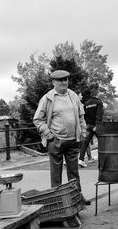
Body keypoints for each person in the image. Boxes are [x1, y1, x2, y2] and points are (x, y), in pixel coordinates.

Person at [33, 70, 90, 205]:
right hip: (56, 140)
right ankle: (57, 202)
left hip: (72, 140)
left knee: (74, 173)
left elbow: (81, 116)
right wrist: (49, 135)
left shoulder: (73, 95)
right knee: (56, 175)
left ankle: (77, 199)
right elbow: (37, 119)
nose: (64, 82)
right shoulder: (47, 98)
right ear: (53, 82)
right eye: (60, 80)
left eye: (66, 79)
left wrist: (82, 133)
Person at [78, 84, 104, 168]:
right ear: (97, 91)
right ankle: (103, 158)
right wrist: (97, 125)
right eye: (98, 90)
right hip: (95, 126)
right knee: (103, 141)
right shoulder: (99, 102)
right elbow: (99, 116)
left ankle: (81, 160)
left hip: (88, 125)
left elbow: (84, 115)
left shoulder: (86, 103)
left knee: (85, 143)